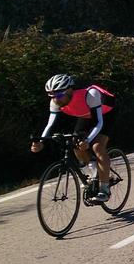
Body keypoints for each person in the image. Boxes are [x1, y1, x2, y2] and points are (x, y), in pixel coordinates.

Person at [32, 74, 115, 203]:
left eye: (59, 95)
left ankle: (105, 189)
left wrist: (87, 141)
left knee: (97, 147)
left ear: (70, 90)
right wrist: (41, 142)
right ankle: (94, 171)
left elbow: (98, 122)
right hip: (86, 115)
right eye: (51, 96)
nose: (56, 99)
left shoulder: (90, 94)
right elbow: (50, 124)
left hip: (106, 113)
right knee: (75, 143)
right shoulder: (55, 102)